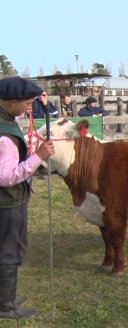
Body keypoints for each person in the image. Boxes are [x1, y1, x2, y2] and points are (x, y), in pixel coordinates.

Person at [0, 76, 55, 319]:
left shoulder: (6, 118)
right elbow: (6, 176)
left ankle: (5, 296)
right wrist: (38, 157)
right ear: (12, 102)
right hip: (8, 202)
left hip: (8, 201)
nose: (28, 108)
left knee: (8, 250)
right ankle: (5, 306)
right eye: (26, 103)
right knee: (10, 251)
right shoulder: (5, 137)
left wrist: (44, 105)